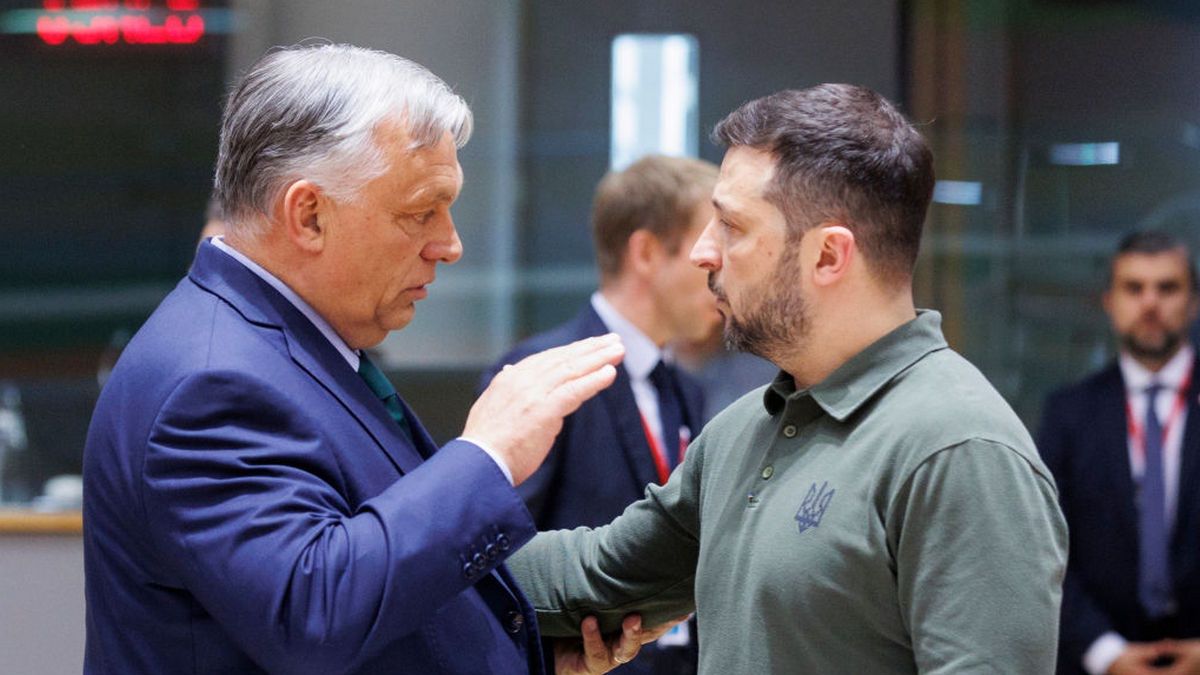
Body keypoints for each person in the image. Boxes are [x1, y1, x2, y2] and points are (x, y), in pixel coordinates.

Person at [82, 43, 658, 675]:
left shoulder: (294, 343)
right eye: (421, 212)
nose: (450, 244)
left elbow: (373, 565)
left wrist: (517, 649)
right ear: (309, 215)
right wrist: (489, 453)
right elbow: (314, 611)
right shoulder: (212, 380)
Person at [506, 83, 1068, 674]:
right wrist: (419, 534)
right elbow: (595, 576)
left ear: (828, 255)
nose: (703, 252)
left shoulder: (959, 450)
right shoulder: (743, 431)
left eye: (732, 226)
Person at [483, 154, 721, 675]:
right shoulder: (540, 374)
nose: (717, 268)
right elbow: (492, 555)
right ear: (646, 252)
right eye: (704, 252)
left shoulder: (686, 389)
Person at [1039, 231, 1200, 675]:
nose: (1150, 303)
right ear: (1110, 302)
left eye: (1167, 288)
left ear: (1194, 301)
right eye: (1134, 288)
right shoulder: (1068, 414)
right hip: (1095, 660)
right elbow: (1044, 546)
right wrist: (1105, 653)